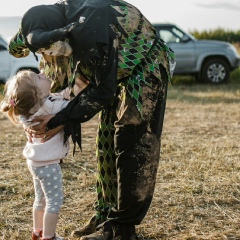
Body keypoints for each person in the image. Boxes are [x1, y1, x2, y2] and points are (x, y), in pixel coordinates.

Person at [8, 0, 176, 239]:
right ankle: (104, 216)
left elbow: (102, 91)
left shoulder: (90, 30)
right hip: (106, 71)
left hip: (141, 65)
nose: (50, 56)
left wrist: (59, 119)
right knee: (105, 142)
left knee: (130, 140)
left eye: (52, 49)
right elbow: (18, 49)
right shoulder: (36, 21)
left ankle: (121, 229)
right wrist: (32, 116)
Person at [0, 70, 84, 240]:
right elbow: (72, 103)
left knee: (40, 199)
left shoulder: (28, 111)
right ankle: (49, 236)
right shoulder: (50, 107)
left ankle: (37, 232)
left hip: (35, 163)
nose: (43, 73)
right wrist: (81, 84)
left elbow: (60, 95)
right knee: (54, 202)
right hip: (48, 164)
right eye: (39, 77)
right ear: (39, 93)